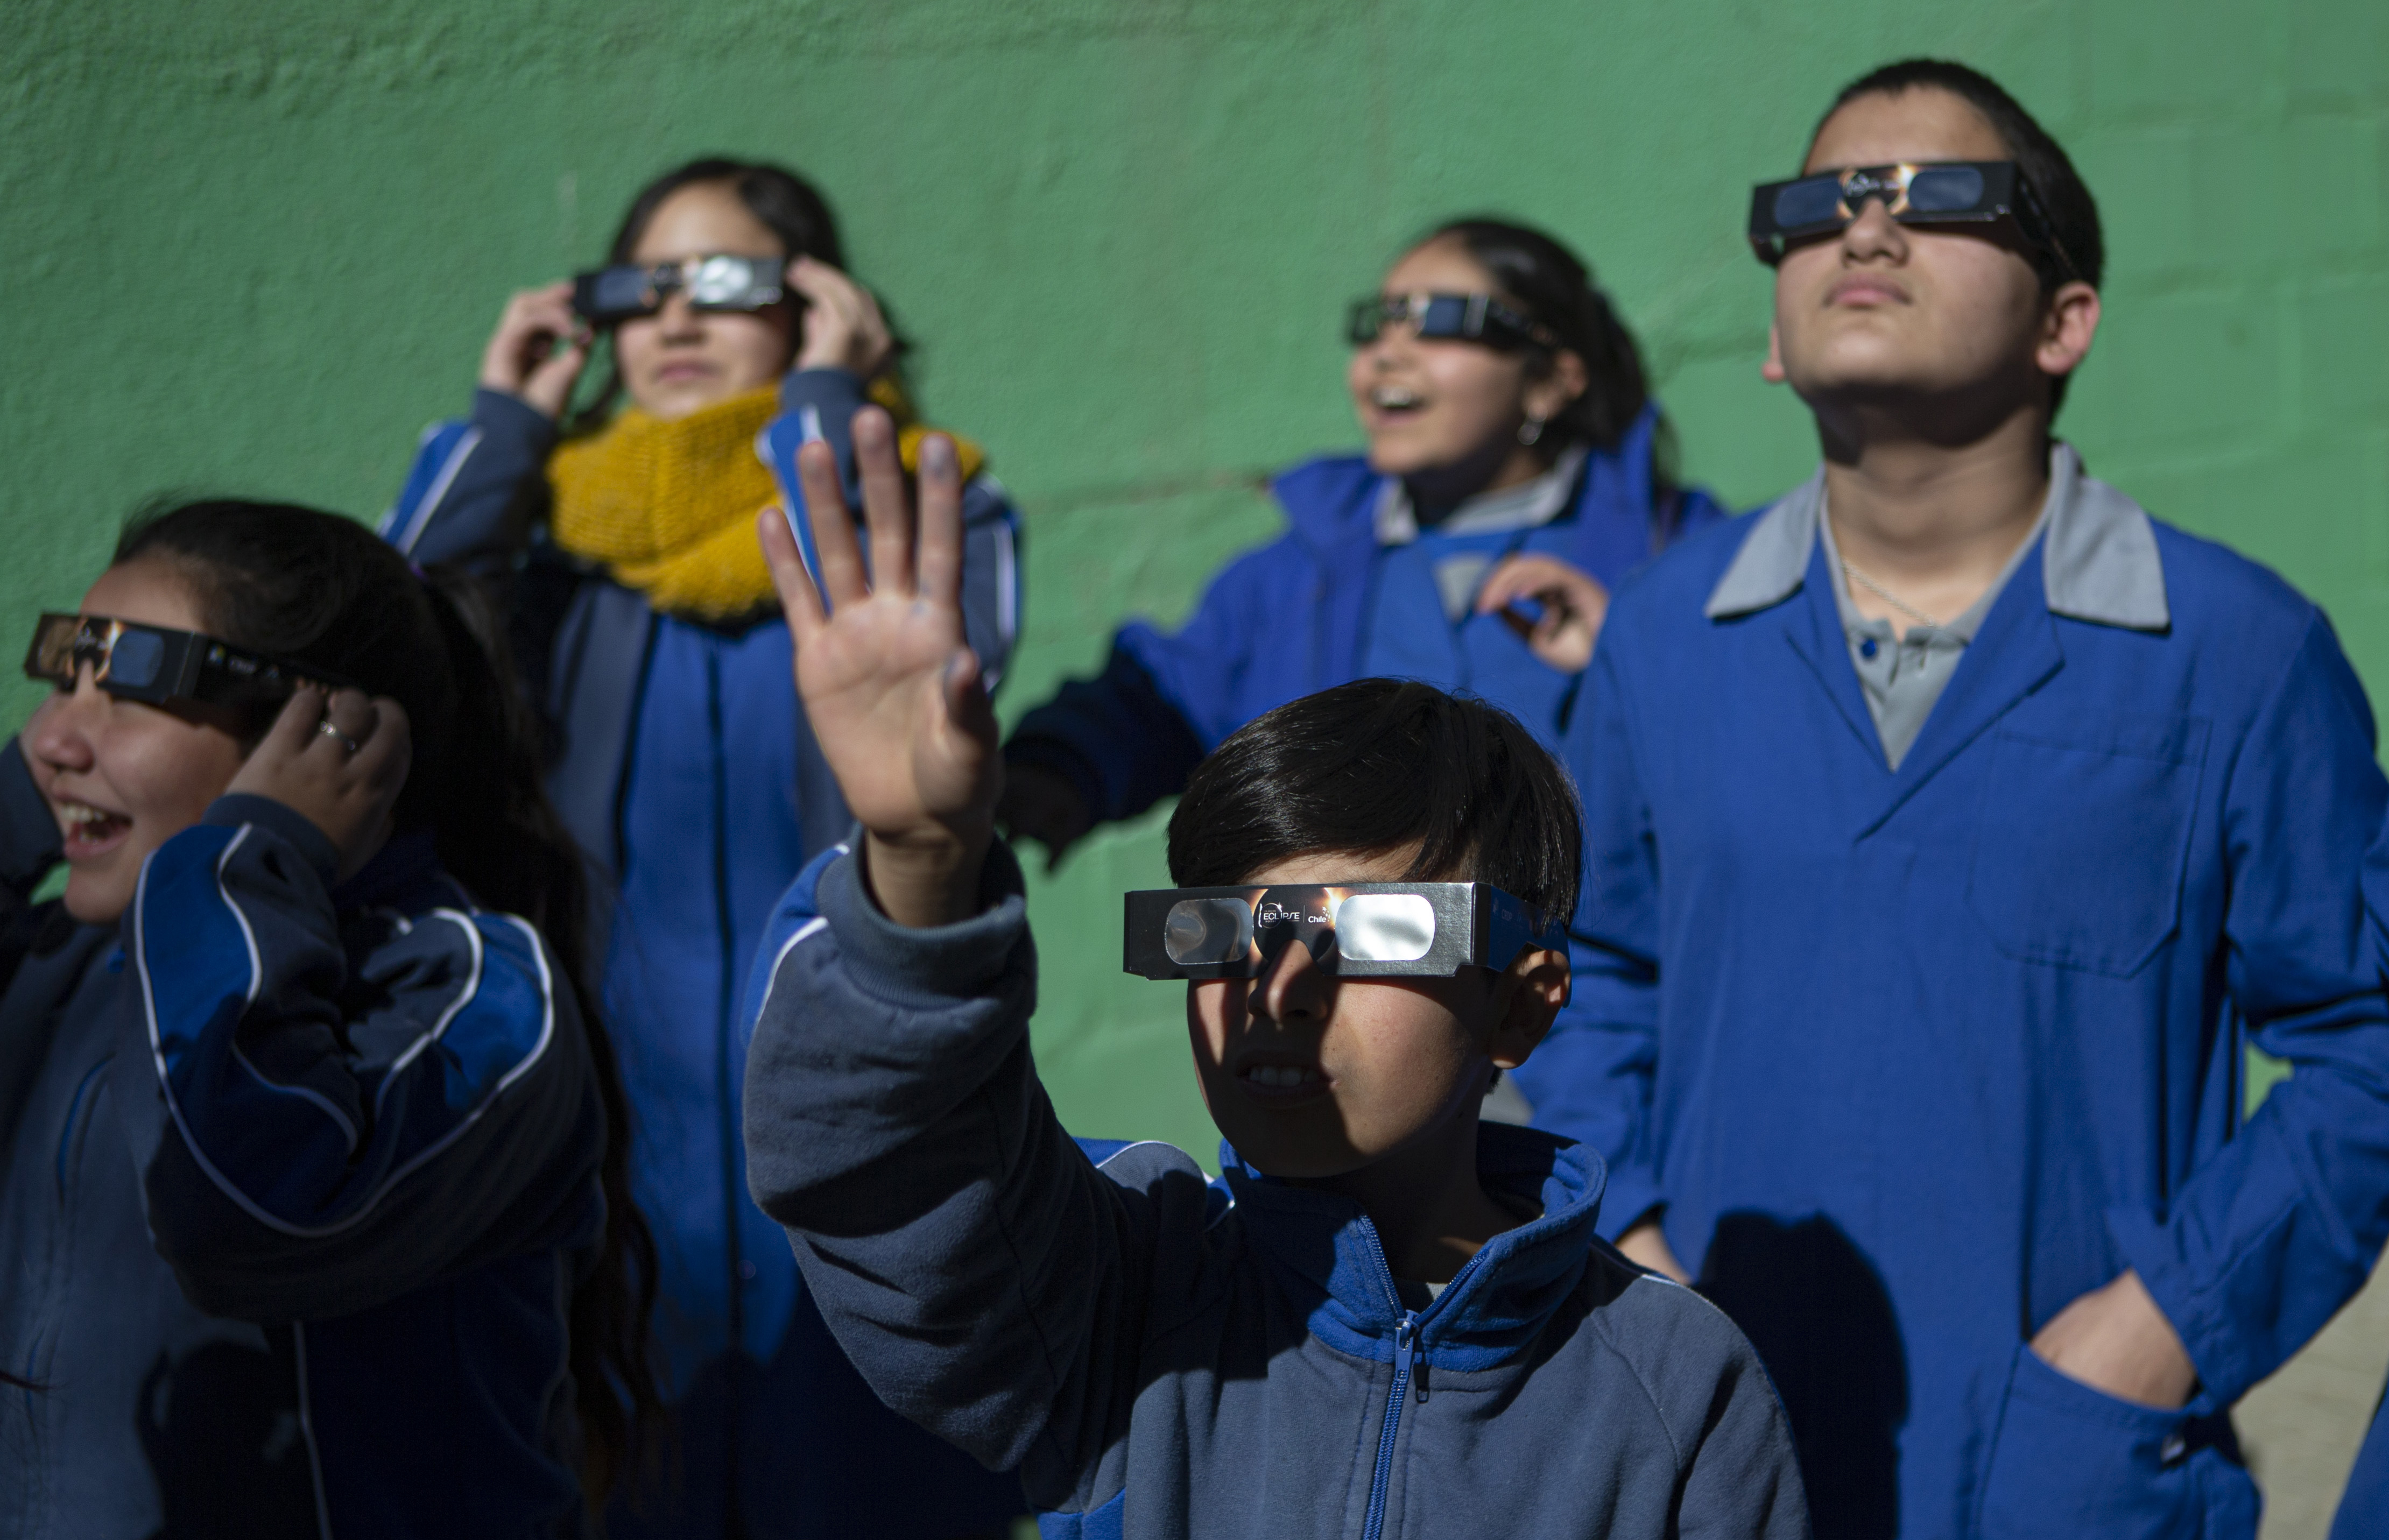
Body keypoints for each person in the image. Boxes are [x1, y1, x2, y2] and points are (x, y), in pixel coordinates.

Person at [1533, 57, 2389, 1540]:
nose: (1866, 228)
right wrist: (1633, 1251)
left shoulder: (2239, 649)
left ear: (2068, 322)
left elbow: (2368, 1043)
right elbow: (1588, 977)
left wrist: (2160, 1326)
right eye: (1819, 203)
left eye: (1942, 198)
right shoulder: (1662, 641)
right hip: (1716, 1456)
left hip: (2063, 1467)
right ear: (1773, 342)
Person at [731, 414, 1811, 1539]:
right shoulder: (1120, 1293)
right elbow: (884, 1175)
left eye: (1383, 932)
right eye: (1223, 930)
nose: (1278, 985)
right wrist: (917, 866)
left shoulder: (1679, 1381)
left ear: (1521, 1003)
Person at [379, 158, 1026, 1535]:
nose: (675, 319)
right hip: (607, 1157)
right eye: (638, 289)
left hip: (874, 1127)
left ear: (823, 309)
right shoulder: (545, 550)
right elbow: (387, 644)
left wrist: (828, 415)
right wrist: (504, 423)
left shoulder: (929, 504)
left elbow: (939, 670)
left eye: (729, 284)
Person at [0, 499, 658, 1536]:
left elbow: (244, 1210)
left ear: (320, 734)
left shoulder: (463, 988)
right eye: (59, 682)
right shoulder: (76, 964)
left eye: (123, 691)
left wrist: (252, 851)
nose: (49, 739)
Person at [1000, 217, 1722, 866]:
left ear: (1551, 382)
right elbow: (1167, 693)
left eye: (1441, 321)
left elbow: (1759, 756)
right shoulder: (1299, 568)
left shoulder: (1676, 551)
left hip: (1587, 1005)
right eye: (1377, 324)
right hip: (1334, 985)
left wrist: (1636, 659)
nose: (1388, 354)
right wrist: (1056, 764)